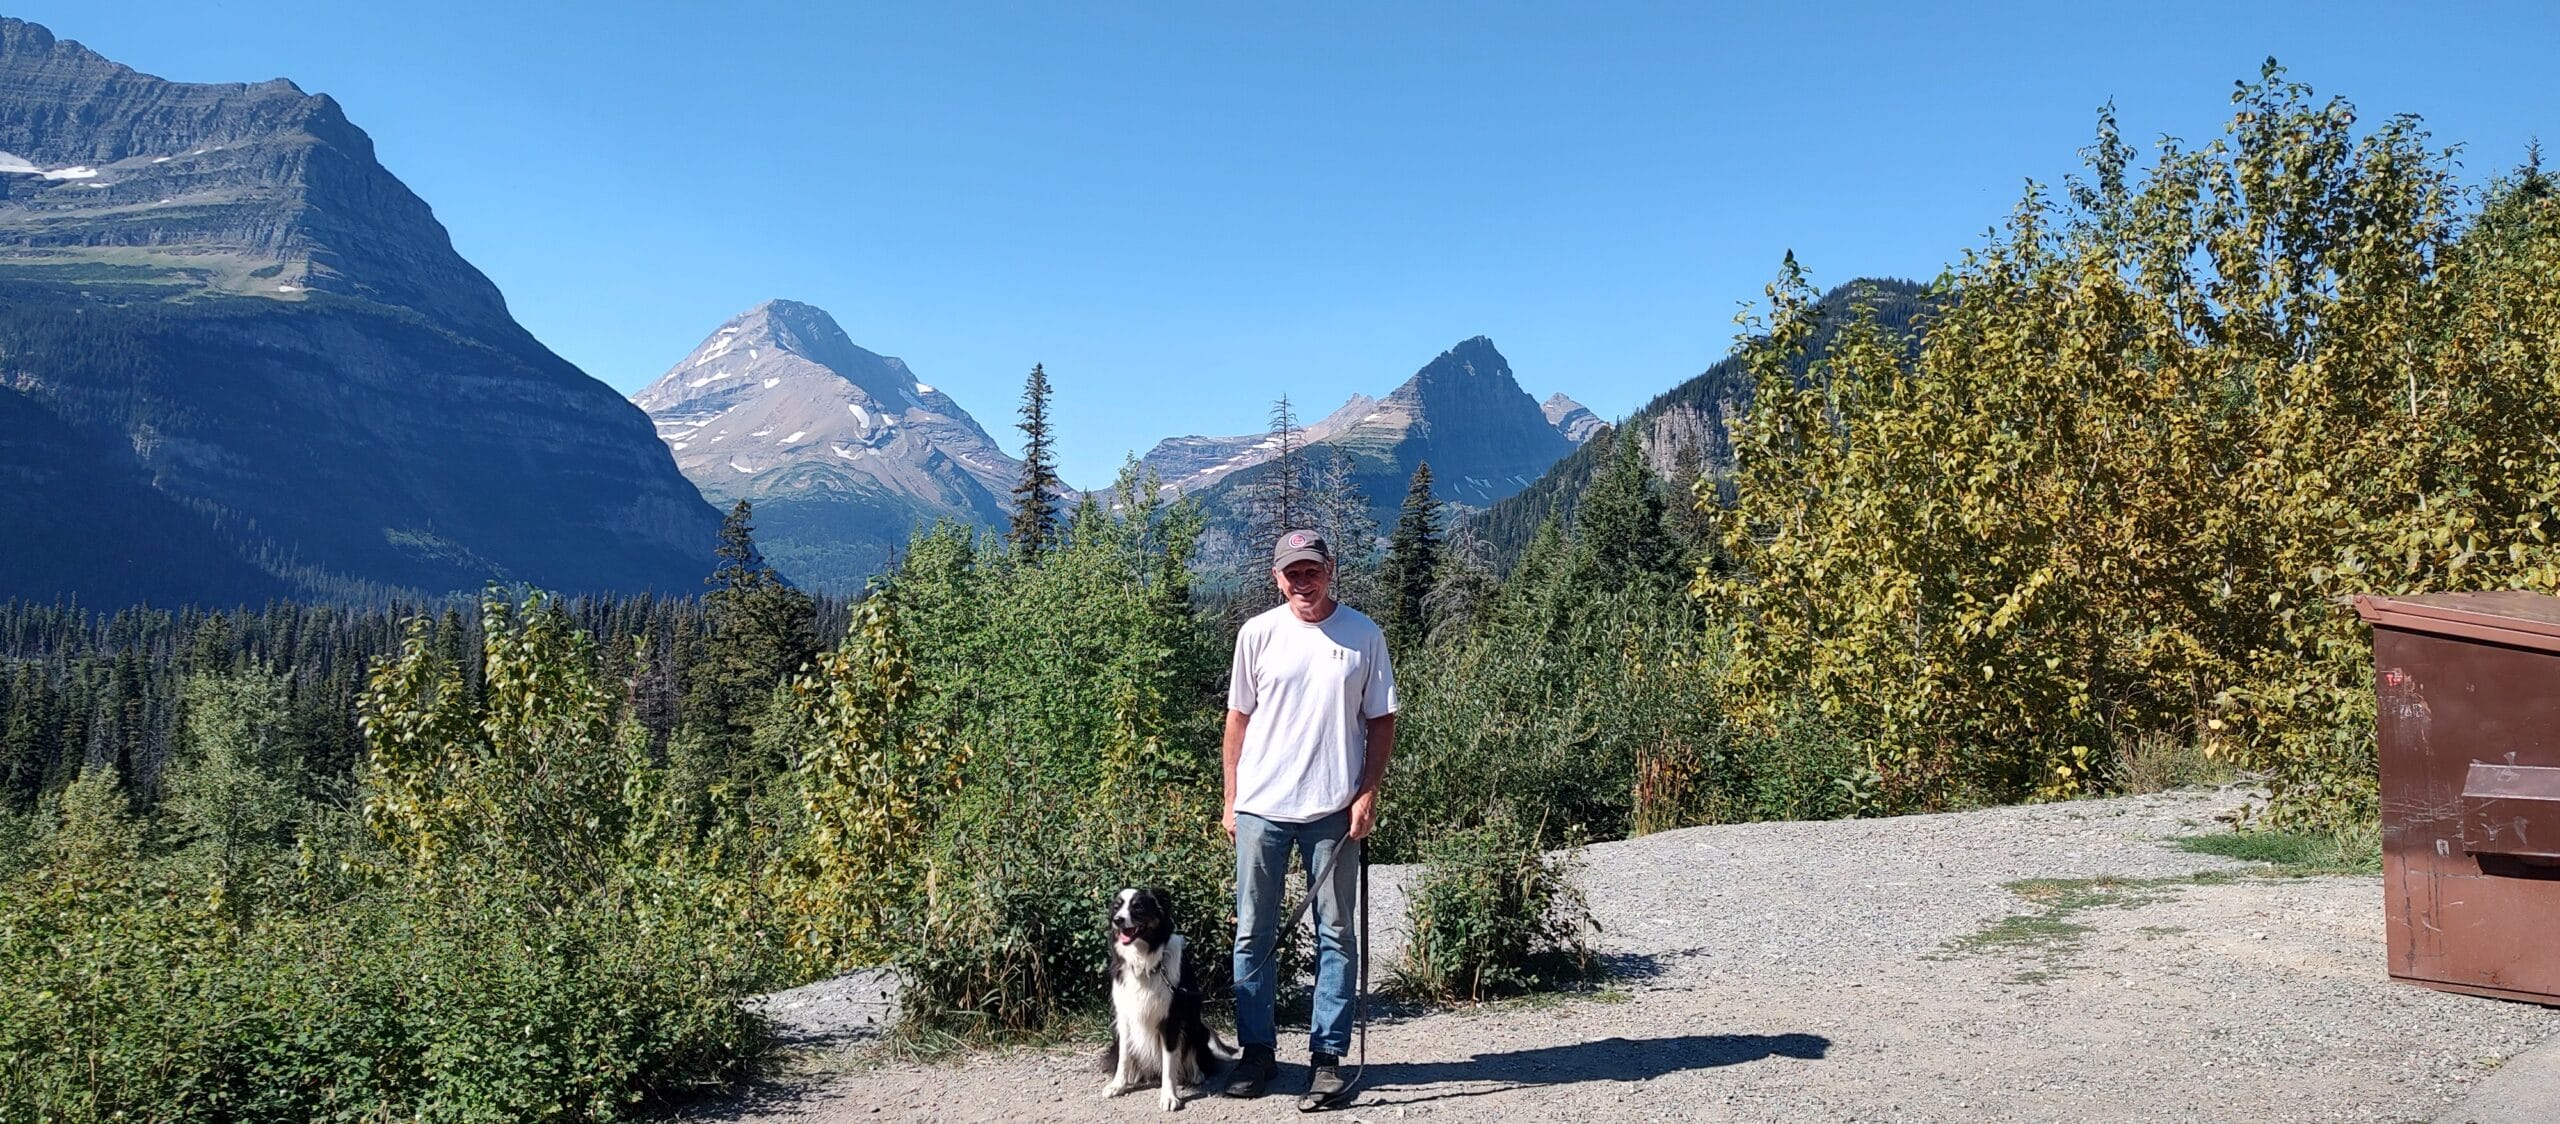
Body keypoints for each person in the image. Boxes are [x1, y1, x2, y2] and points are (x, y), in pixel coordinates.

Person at [1222, 528, 1397, 1109]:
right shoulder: (1257, 634)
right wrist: (1231, 797)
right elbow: (1238, 720)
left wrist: (1367, 793)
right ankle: (1257, 1053)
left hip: (1332, 810)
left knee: (1337, 934)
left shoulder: (1363, 635)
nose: (1303, 581)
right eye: (1292, 572)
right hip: (1261, 808)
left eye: (1312, 570)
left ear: (1330, 570)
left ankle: (1327, 1059)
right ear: (1277, 578)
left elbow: (1381, 721)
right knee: (1253, 932)